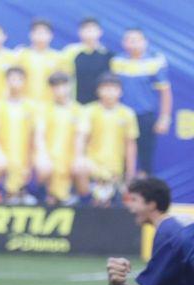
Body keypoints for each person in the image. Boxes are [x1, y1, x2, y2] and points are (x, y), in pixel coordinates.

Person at [110, 28, 172, 176]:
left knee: (145, 157)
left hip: (145, 116)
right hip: (121, 116)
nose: (133, 44)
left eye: (136, 40)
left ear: (145, 42)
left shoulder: (155, 61)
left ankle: (143, 194)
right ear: (123, 43)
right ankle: (121, 192)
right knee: (121, 155)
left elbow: (165, 92)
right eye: (129, 40)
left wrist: (165, 117)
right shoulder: (117, 61)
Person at [74, 74, 138, 206]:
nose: (109, 92)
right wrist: (79, 158)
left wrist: (130, 174)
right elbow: (81, 137)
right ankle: (86, 199)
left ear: (120, 92)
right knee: (79, 168)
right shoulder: (88, 111)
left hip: (115, 171)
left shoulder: (127, 114)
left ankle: (108, 194)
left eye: (113, 89)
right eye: (105, 88)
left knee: (112, 203)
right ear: (98, 91)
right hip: (92, 167)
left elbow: (130, 145)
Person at [0, 66, 37, 204]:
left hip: (23, 154)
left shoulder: (31, 107)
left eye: (19, 79)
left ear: (24, 82)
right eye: (12, 79)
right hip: (2, 154)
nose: (15, 82)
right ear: (6, 81)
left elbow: (35, 135)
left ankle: (20, 192)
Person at [34, 72, 83, 204]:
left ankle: (82, 200)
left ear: (70, 86)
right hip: (50, 158)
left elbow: (80, 137)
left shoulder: (78, 110)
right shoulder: (43, 109)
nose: (60, 90)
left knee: (81, 167)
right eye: (56, 86)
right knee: (43, 167)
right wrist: (42, 155)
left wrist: (78, 157)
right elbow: (39, 134)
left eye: (63, 85)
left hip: (69, 159)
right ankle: (43, 197)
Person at [16, 19, 72, 105]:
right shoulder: (21, 55)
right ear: (31, 35)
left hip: (50, 106)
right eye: (38, 33)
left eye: (44, 33)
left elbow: (64, 85)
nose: (41, 36)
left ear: (51, 36)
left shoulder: (59, 58)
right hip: (25, 105)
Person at [64, 17, 111, 105]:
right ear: (79, 32)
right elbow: (64, 79)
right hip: (76, 105)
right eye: (86, 29)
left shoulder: (107, 55)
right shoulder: (69, 52)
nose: (90, 32)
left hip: (100, 107)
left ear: (100, 32)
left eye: (93, 29)